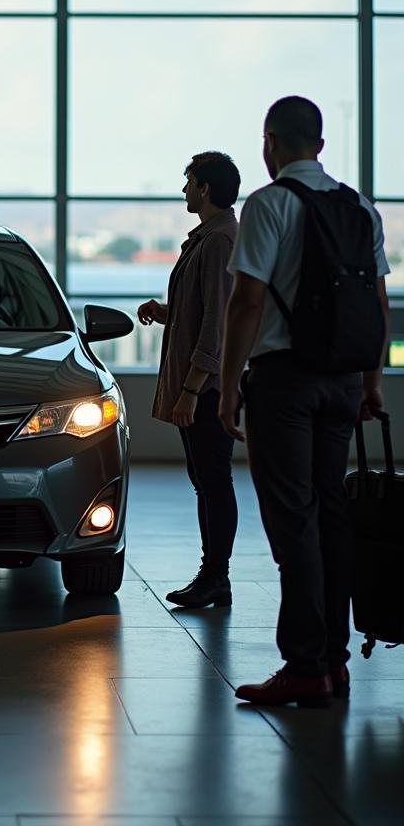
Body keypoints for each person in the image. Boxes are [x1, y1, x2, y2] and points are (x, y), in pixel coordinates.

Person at [219, 95, 390, 707]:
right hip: (344, 380)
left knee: (293, 520)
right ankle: (334, 661)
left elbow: (247, 302)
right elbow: (375, 303)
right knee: (331, 515)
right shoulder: (359, 208)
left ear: (270, 143)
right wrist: (371, 382)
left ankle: (304, 664)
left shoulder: (268, 205)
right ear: (319, 144)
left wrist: (226, 383)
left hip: (284, 383)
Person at [138, 152, 241, 608]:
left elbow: (217, 325)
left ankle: (215, 576)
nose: (184, 190)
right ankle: (214, 575)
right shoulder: (209, 239)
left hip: (207, 388)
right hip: (203, 385)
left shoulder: (219, 242)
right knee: (207, 480)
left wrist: (192, 390)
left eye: (188, 182)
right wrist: (168, 314)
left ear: (204, 189)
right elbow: (203, 312)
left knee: (213, 481)